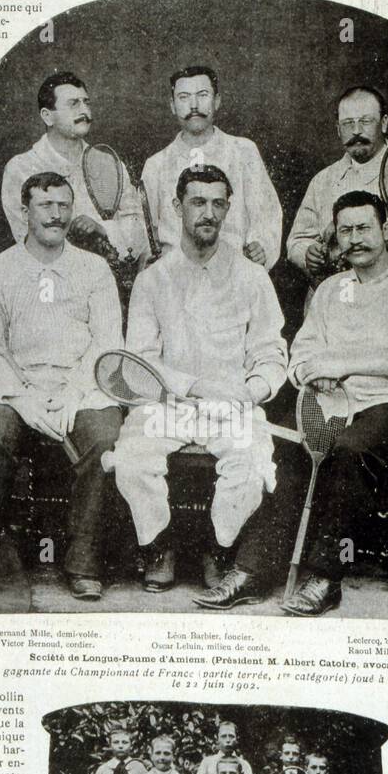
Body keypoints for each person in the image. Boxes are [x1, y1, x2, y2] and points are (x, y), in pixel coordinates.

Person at [198, 190, 388, 616]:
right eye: (345, 230)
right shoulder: (332, 288)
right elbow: (301, 354)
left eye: (364, 228)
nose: (354, 239)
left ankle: (324, 577)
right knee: (285, 446)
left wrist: (341, 364)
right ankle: (251, 572)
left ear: (386, 229)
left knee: (348, 448)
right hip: (334, 403)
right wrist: (307, 374)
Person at [110, 164, 288, 593]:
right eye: (197, 202)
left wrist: (249, 393)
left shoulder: (252, 276)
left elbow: (271, 353)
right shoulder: (153, 280)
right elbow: (140, 363)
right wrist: (196, 388)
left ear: (228, 208)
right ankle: (159, 544)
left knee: (250, 463)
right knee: (132, 456)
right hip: (168, 406)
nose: (207, 213)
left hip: (234, 407)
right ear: (177, 207)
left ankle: (218, 547)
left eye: (217, 203)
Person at [0, 171, 124, 608]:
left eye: (64, 206)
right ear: (24, 210)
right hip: (17, 394)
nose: (56, 215)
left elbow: (107, 342)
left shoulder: (94, 269)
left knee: (105, 438)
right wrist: (20, 397)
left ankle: (83, 566)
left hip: (80, 389)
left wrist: (73, 392)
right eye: (46, 206)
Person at [141, 66, 283, 269]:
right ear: (172, 105)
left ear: (217, 100)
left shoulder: (243, 151)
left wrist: (262, 247)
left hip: (235, 274)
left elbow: (267, 215)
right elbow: (145, 233)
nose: (194, 105)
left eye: (202, 95)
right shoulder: (156, 165)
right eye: (183, 97)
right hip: (176, 278)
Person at [286, 84, 388, 276]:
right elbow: (297, 240)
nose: (356, 131)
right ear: (338, 129)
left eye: (365, 121)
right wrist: (308, 253)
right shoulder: (322, 181)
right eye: (348, 123)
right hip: (331, 293)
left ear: (383, 123)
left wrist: (343, 236)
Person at [1, 71, 146, 260]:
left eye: (86, 102)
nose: (84, 111)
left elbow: (138, 230)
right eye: (73, 104)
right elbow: (28, 238)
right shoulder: (21, 168)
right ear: (47, 116)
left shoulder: (109, 163)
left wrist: (102, 228)